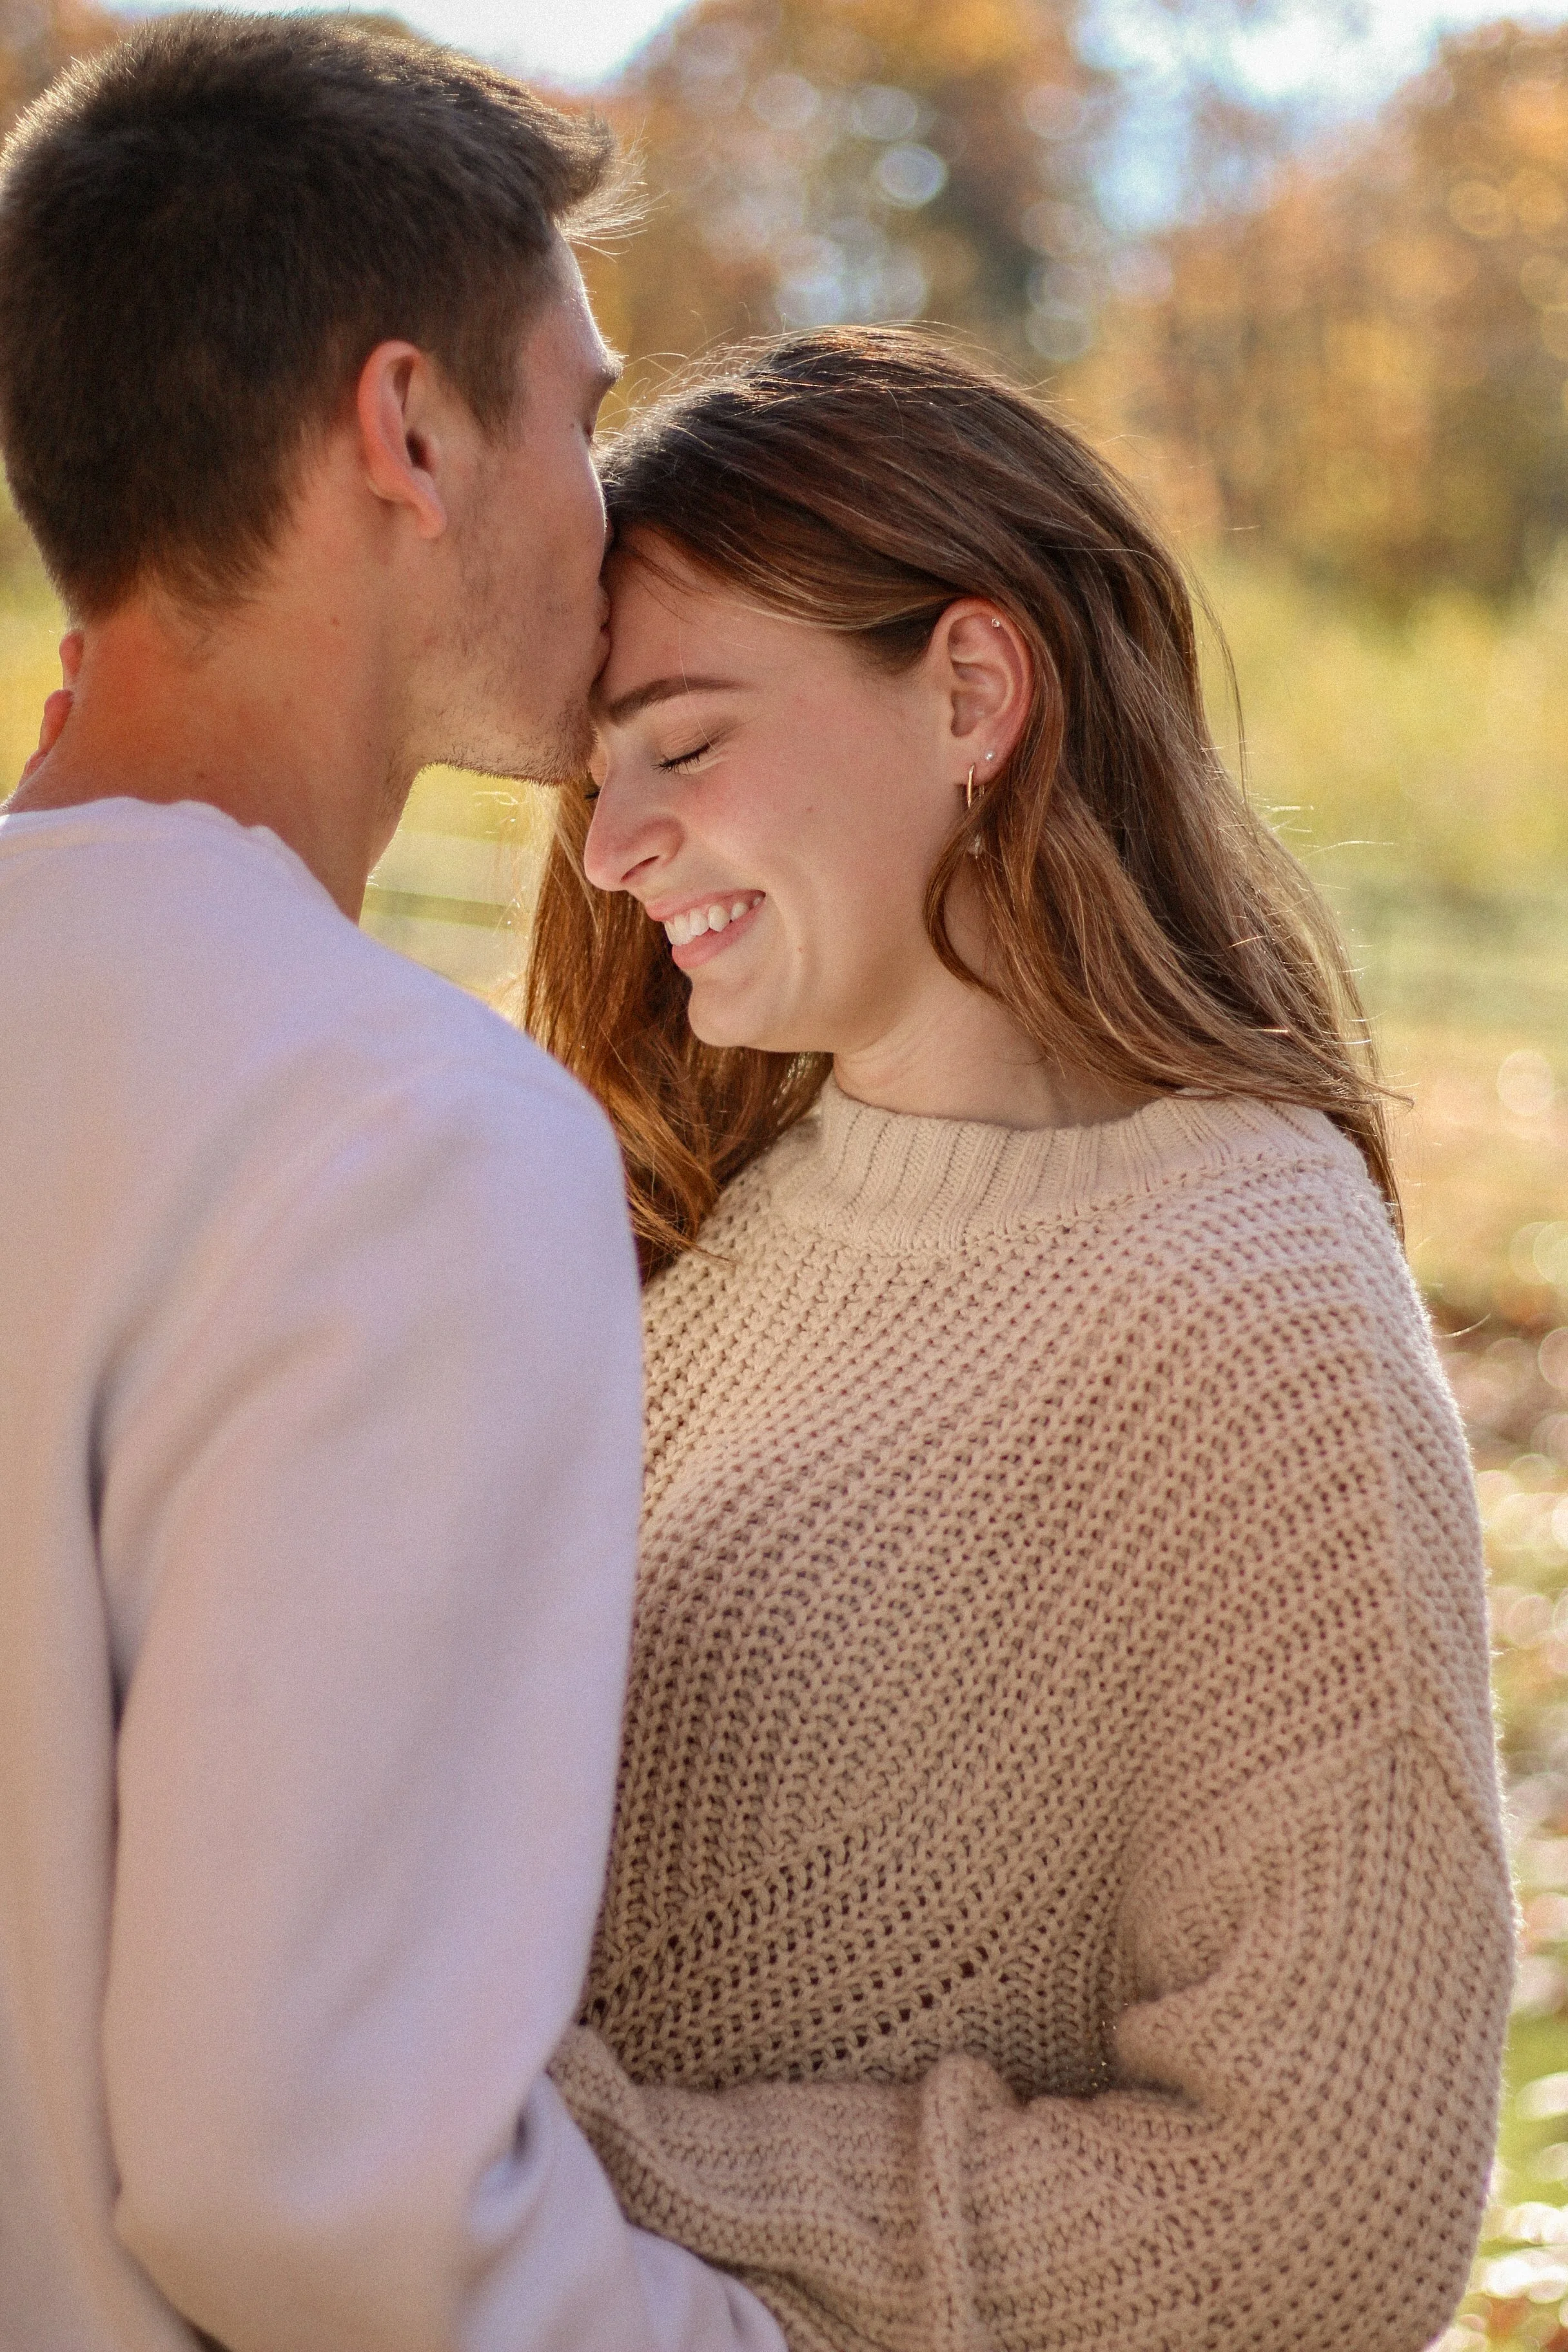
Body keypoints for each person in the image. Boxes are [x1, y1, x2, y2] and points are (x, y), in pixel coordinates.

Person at [524, 329, 1515, 2351]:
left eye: (684, 747)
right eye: (596, 774)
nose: (612, 851)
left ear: (972, 691)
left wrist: (599, 2168)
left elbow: (1331, 2217)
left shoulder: (1254, 1320)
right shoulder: (713, 1214)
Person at [0, 19, 785, 2352]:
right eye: (579, 411)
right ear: (408, 428)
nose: (608, 507)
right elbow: (315, 2189)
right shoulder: (403, 1138)